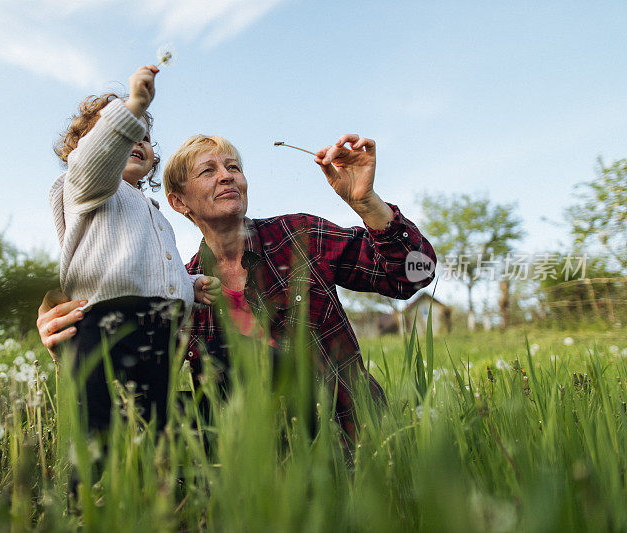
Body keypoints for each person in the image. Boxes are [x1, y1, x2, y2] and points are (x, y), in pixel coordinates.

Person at [39, 130, 436, 440]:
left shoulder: (298, 235)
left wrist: (366, 201)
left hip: (349, 432)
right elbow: (127, 380)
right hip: (251, 448)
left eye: (233, 167)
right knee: (151, 410)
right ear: (178, 203)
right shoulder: (178, 288)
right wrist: (68, 341)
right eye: (207, 170)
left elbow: (413, 275)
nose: (226, 176)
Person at [47, 64, 220, 433]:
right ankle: (93, 487)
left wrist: (190, 285)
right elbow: (95, 159)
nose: (136, 140)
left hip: (159, 327)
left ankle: (151, 481)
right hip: (104, 321)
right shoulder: (84, 188)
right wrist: (134, 106)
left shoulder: (152, 212)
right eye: (127, 134)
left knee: (151, 420)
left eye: (143, 136)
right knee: (100, 423)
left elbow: (151, 270)